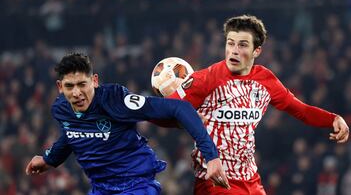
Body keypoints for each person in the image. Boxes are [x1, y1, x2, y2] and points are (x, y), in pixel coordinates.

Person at [168, 15, 350, 194]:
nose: (234, 50)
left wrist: (332, 119)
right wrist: (185, 119)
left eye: (242, 45)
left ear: (257, 51)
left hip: (250, 181)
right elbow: (163, 110)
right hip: (214, 182)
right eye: (230, 43)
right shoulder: (205, 79)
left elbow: (300, 109)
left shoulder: (266, 80)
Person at [25, 53, 230, 195]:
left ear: (94, 81)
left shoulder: (115, 101)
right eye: (69, 86)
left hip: (135, 185)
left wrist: (212, 157)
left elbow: (180, 108)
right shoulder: (61, 110)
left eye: (82, 84)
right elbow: (73, 134)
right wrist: (49, 159)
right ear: (60, 87)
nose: (77, 93)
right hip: (100, 188)